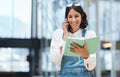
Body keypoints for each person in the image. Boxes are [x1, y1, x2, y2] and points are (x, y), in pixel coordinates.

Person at [50, 3, 96, 77]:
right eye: (70, 17)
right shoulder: (58, 34)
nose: (73, 20)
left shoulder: (90, 34)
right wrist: (65, 37)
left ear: (82, 16)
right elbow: (55, 60)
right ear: (66, 19)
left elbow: (92, 66)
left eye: (76, 16)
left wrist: (85, 55)